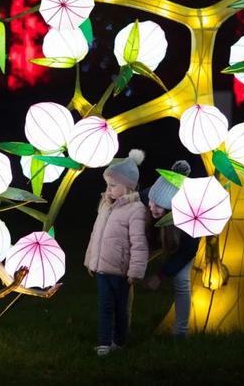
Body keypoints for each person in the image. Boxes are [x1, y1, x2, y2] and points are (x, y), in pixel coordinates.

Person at [84, 149, 149, 356]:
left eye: (113, 185)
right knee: (105, 307)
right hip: (102, 269)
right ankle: (104, 344)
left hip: (121, 272)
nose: (109, 189)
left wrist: (135, 272)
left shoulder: (136, 209)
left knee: (120, 308)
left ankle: (118, 342)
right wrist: (90, 261)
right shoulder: (105, 206)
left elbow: (138, 243)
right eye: (107, 185)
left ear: (127, 186)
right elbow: (96, 235)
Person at [142, 160, 199, 337]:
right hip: (155, 238)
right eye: (152, 202)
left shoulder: (189, 221)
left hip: (179, 242)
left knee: (181, 280)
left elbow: (187, 252)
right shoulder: (147, 197)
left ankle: (181, 331)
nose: (154, 208)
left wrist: (161, 275)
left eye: (160, 206)